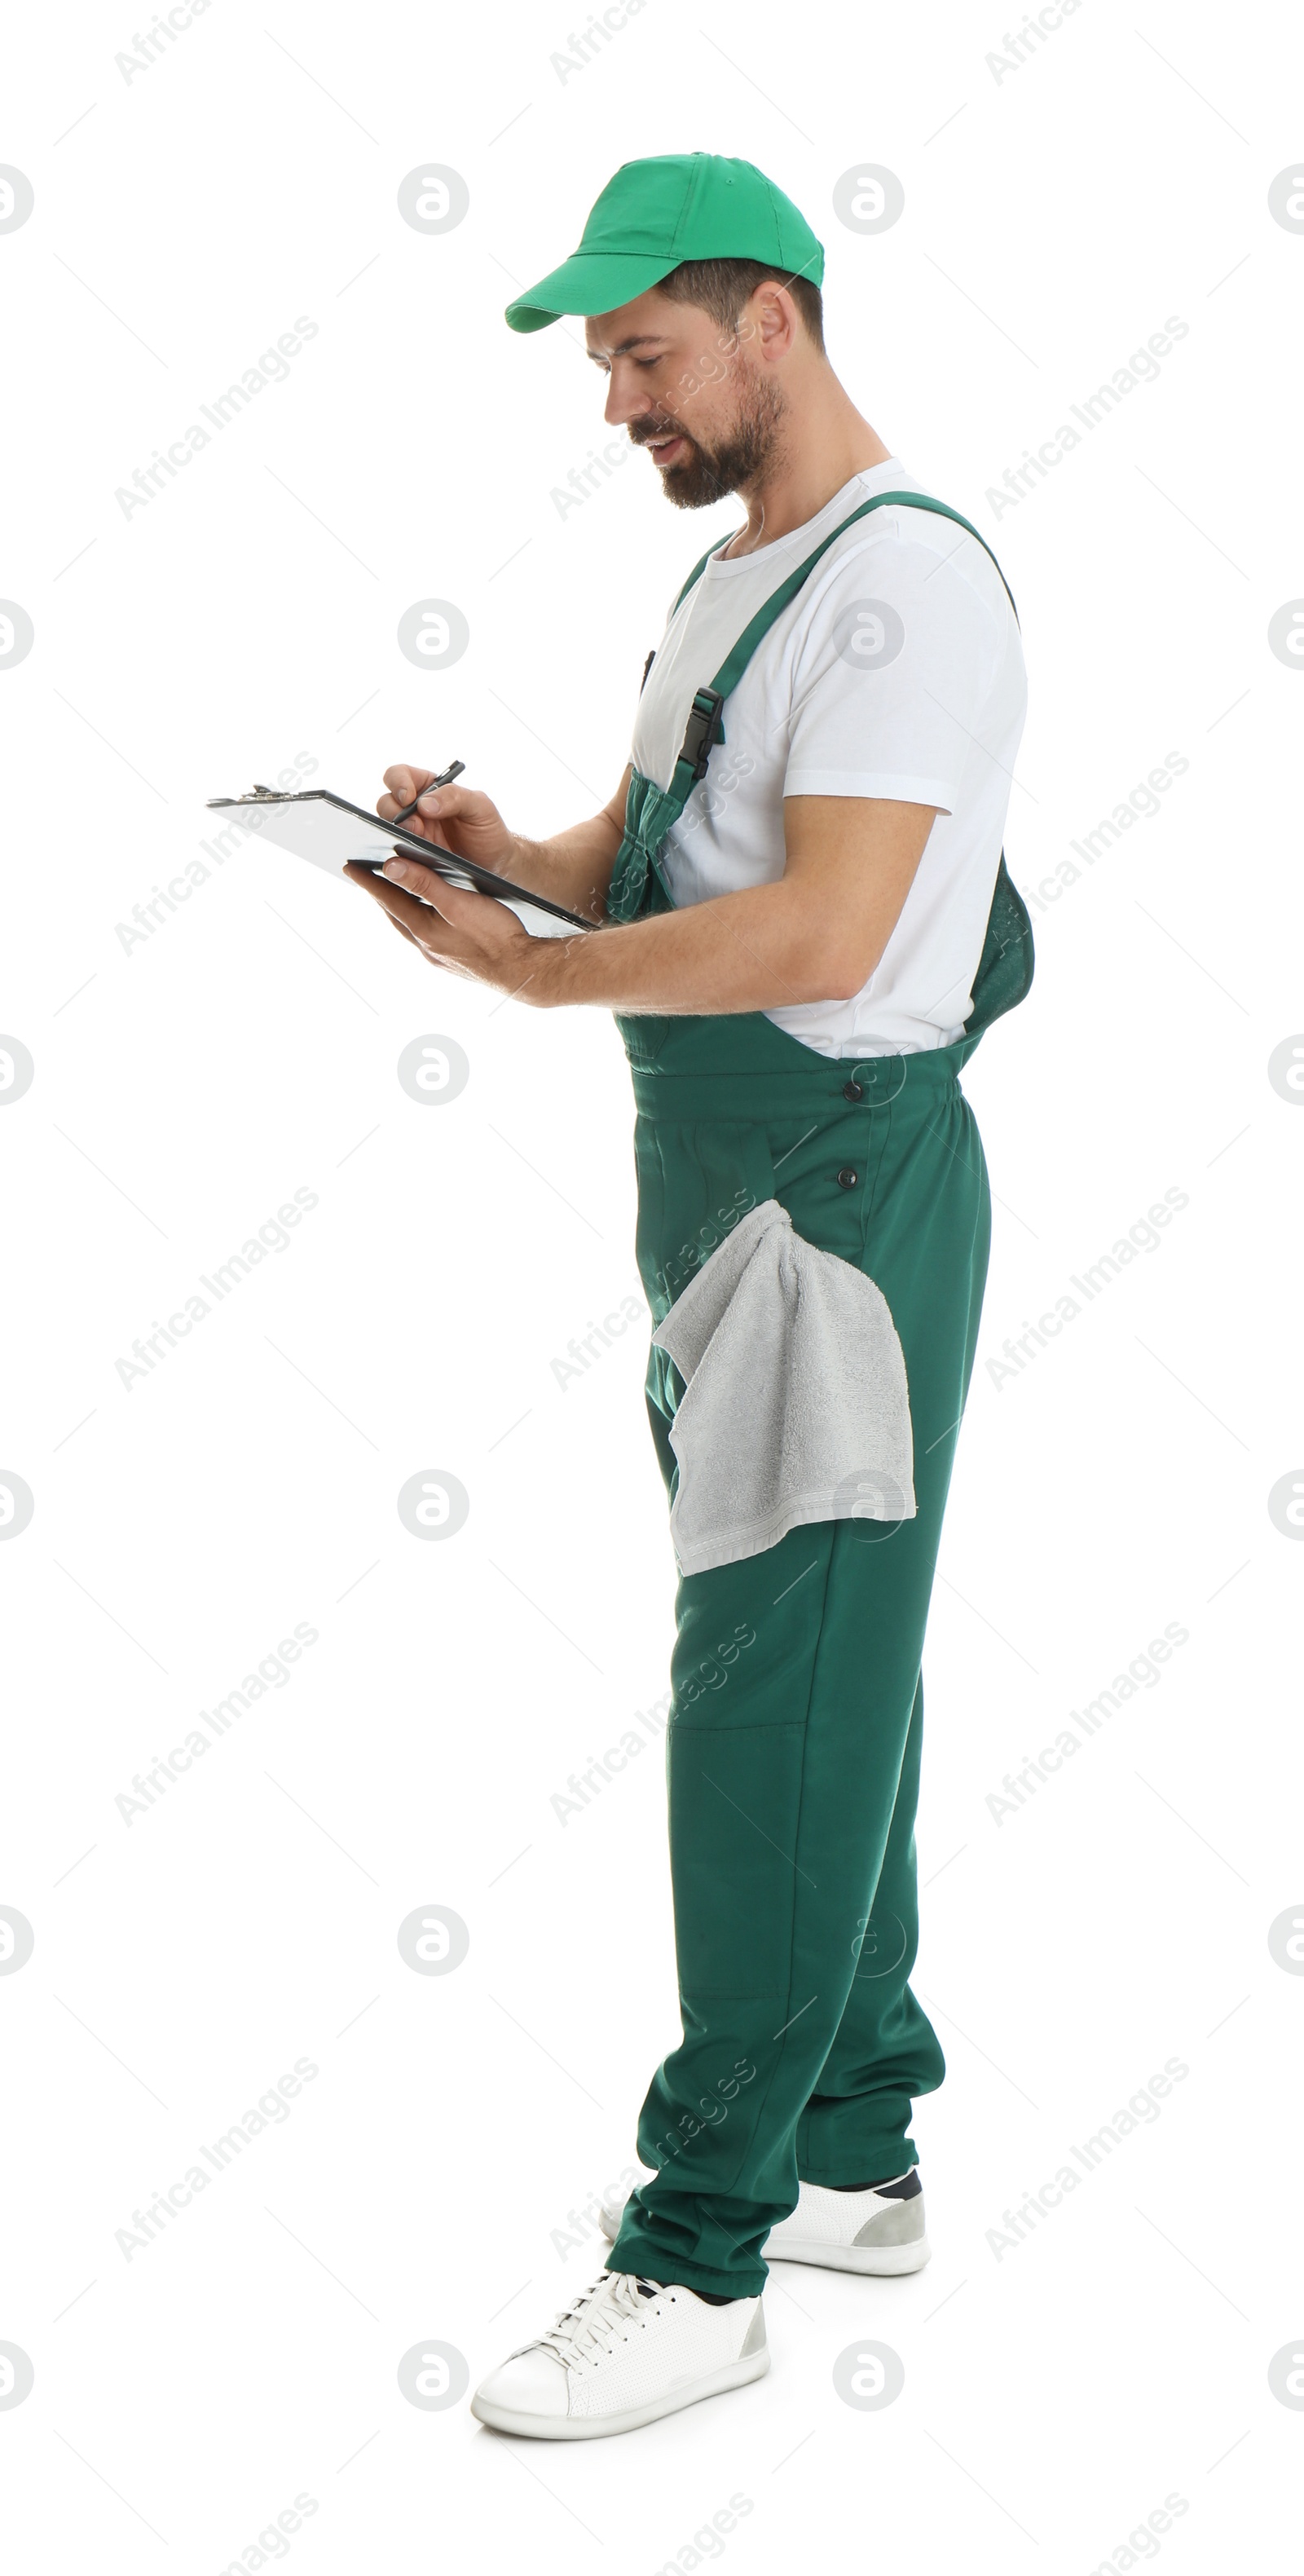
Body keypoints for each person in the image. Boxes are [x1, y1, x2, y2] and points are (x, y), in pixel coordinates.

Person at [348, 151, 1033, 2441]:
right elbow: (672, 858)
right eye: (602, 362)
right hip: (729, 1192)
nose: (615, 400)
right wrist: (497, 860)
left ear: (774, 321)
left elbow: (829, 934)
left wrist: (542, 985)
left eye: (643, 352)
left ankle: (701, 2253)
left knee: (770, 1704)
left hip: (826, 1199)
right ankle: (857, 2144)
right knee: (836, 1666)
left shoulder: (901, 587)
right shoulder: (743, 580)